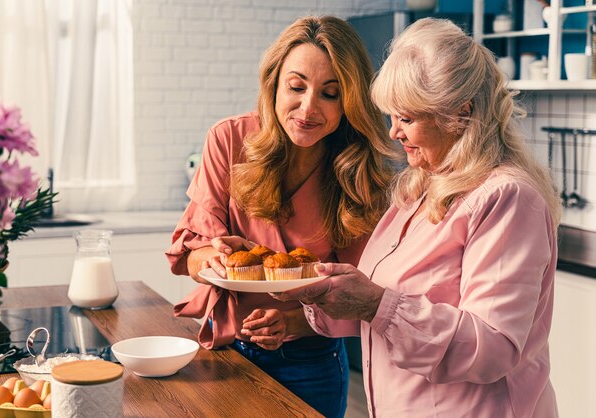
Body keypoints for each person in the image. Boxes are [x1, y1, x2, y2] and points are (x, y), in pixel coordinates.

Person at [275, 18, 562, 418]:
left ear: (460, 113)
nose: (393, 132)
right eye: (391, 116)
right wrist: (324, 295)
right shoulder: (420, 188)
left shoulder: (507, 198)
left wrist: (376, 304)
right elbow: (385, 316)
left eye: (406, 118)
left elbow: (492, 347)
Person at [165, 15, 401, 418]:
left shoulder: (358, 173)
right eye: (296, 86)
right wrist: (215, 258)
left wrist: (291, 323)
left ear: (349, 103)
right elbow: (189, 255)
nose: (308, 108)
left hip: (311, 362)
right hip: (225, 352)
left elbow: (360, 293)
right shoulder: (229, 140)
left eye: (331, 93)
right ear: (273, 82)